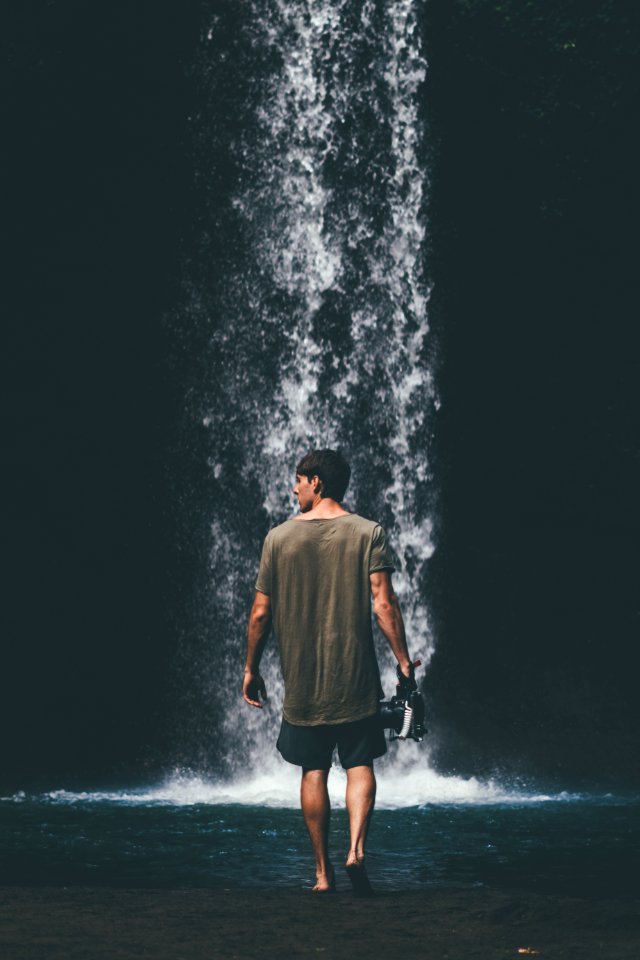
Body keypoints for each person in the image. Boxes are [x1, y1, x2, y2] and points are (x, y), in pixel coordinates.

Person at [243, 449, 413, 895]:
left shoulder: (278, 539)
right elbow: (383, 605)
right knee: (360, 763)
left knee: (312, 770)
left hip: (302, 684)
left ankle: (322, 874)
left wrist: (250, 668)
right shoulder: (367, 533)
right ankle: (356, 848)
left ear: (317, 482)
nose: (294, 488)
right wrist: (403, 664)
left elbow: (260, 614)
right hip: (355, 680)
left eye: (299, 480)